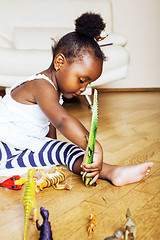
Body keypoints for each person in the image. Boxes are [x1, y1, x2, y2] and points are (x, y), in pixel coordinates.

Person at [0, 12, 153, 185]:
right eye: (81, 80)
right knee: (67, 149)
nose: (83, 89)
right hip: (4, 146)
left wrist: (52, 154)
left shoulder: (52, 94)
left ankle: (113, 173)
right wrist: (93, 146)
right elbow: (62, 121)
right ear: (59, 62)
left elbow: (50, 134)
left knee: (66, 150)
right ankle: (110, 171)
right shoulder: (41, 86)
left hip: (20, 151)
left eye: (88, 83)